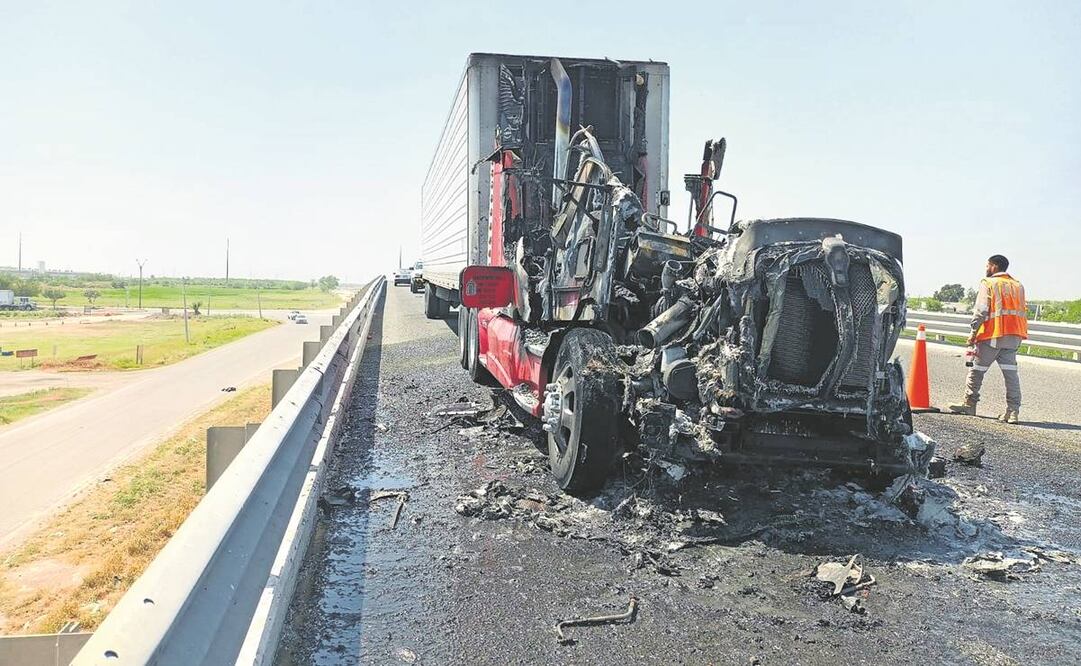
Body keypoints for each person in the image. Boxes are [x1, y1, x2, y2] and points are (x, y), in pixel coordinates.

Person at [947, 254, 1028, 423]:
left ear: (994, 267)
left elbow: (982, 310)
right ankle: (1013, 412)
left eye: (987, 266)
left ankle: (970, 404)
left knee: (976, 371)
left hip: (993, 336)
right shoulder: (1018, 285)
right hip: (1013, 337)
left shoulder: (989, 283)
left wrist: (973, 332)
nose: (986, 269)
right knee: (1011, 376)